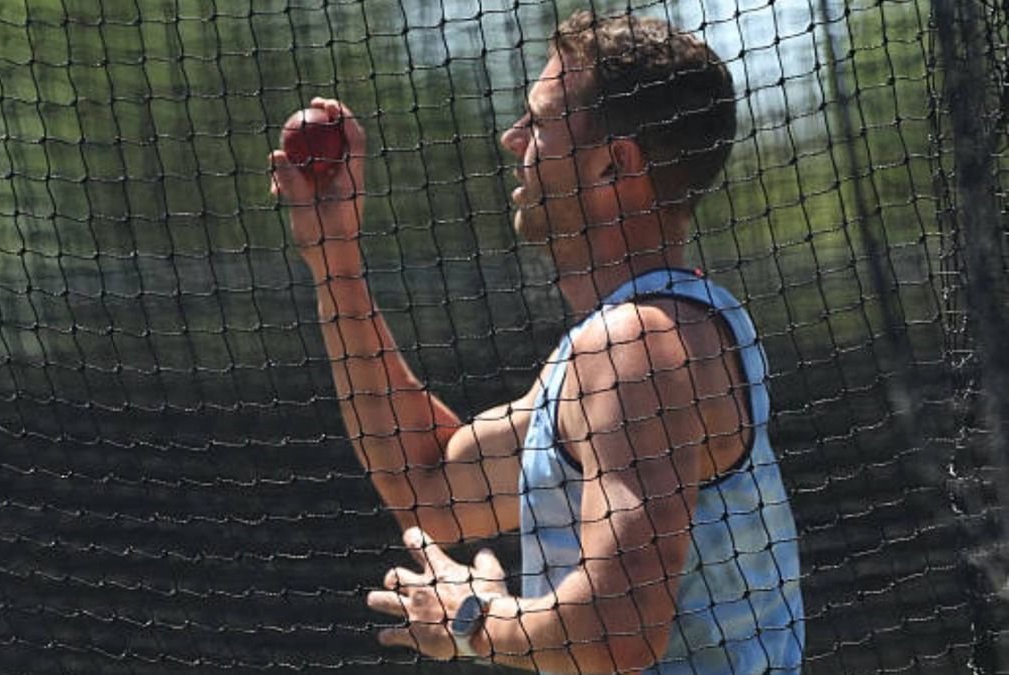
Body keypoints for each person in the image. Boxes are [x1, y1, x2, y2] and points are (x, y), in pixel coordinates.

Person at [270, 10, 804, 674]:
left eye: (541, 122)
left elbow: (622, 626)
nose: (511, 137)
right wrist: (335, 260)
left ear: (615, 166)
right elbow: (431, 483)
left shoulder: (635, 348)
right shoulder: (639, 340)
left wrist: (471, 618)